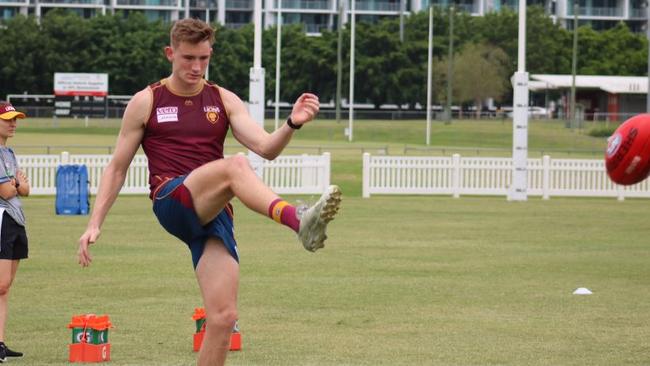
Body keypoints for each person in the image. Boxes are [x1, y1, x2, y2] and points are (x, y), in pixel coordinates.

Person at [77, 18, 341, 365]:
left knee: (223, 318)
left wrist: (291, 123)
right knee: (235, 166)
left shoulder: (224, 99)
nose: (196, 67)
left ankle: (300, 222)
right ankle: (297, 219)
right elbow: (117, 167)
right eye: (188, 58)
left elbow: (266, 148)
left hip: (212, 214)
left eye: (204, 58)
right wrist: (95, 222)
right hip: (172, 199)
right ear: (170, 53)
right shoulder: (147, 100)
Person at [0, 102, 29, 363]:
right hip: (1, 220)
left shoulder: (9, 153)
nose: (13, 123)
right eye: (8, 119)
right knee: (0, 284)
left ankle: (0, 342)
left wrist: (18, 184)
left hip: (16, 220)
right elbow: (8, 191)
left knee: (5, 288)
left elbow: (24, 190)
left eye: (15, 119)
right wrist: (18, 183)